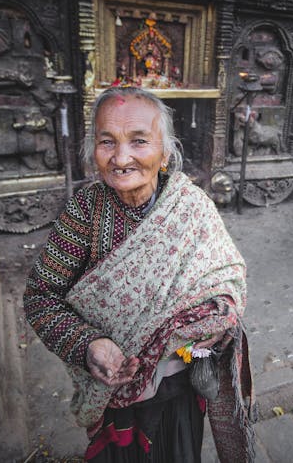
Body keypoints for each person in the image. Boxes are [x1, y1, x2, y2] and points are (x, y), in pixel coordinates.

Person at [24, 87, 255, 462]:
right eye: (107, 142)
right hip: (116, 393)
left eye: (139, 141)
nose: (120, 157)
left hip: (180, 388)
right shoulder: (85, 211)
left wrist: (207, 321)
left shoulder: (192, 207)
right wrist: (88, 344)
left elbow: (228, 281)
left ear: (165, 151)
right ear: (93, 150)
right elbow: (40, 298)